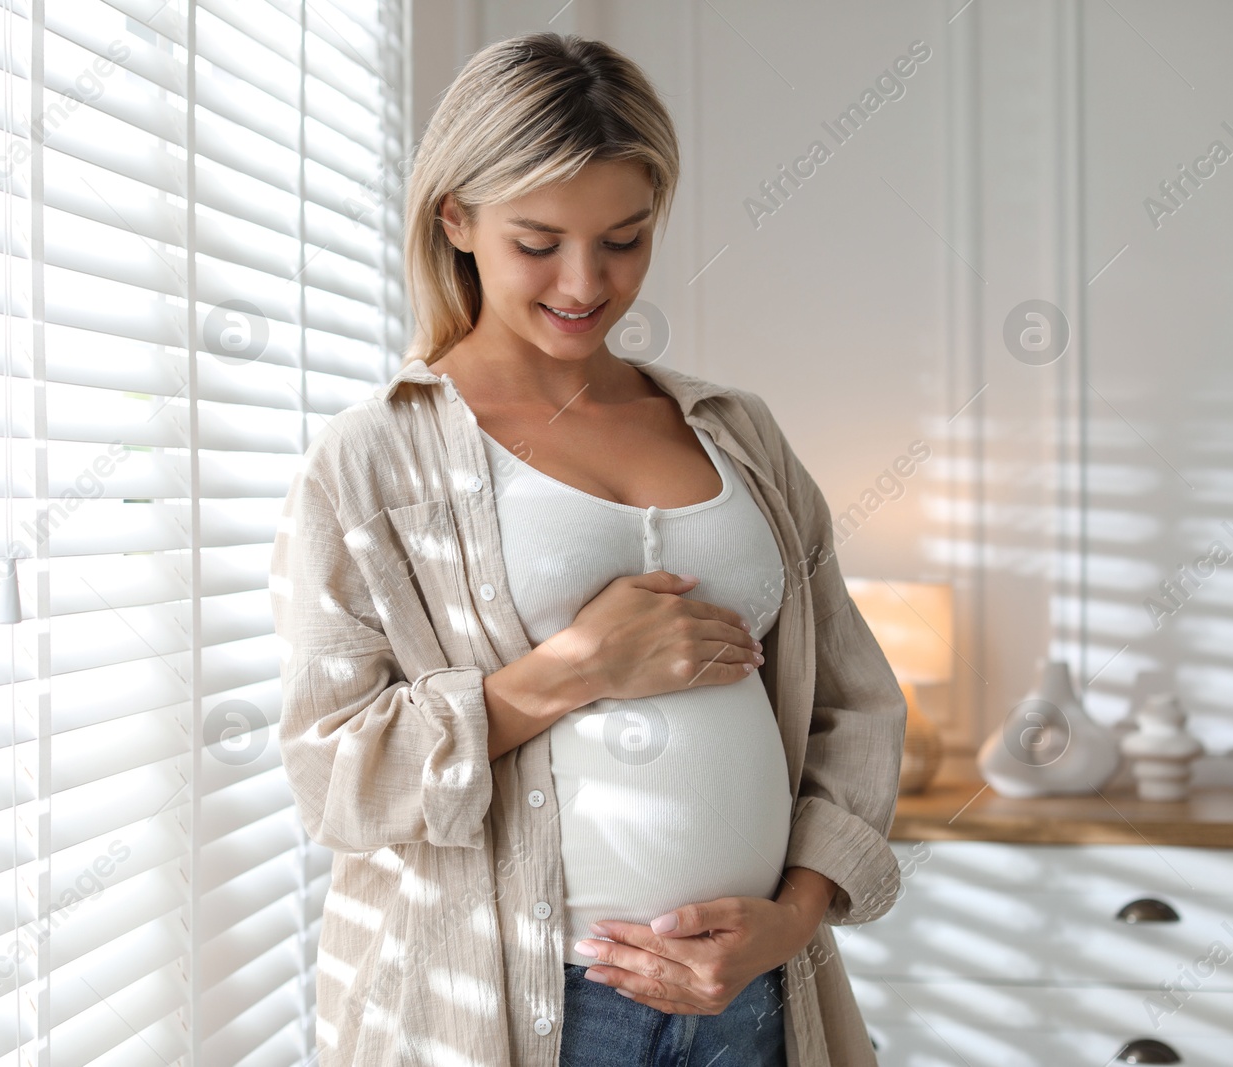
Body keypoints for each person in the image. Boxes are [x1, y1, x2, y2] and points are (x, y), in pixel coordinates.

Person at [269, 31, 907, 1067]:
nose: (586, 280)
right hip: (518, 1006)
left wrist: (791, 917)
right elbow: (334, 775)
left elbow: (857, 706)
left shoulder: (734, 431)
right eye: (538, 241)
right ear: (456, 219)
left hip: (748, 990)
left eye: (625, 237)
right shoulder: (373, 458)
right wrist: (571, 672)